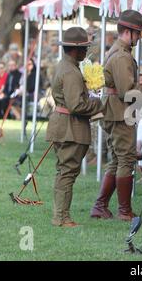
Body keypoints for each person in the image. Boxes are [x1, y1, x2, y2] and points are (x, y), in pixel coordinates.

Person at [90, 10, 142, 222]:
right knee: (125, 158)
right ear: (128, 32)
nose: (140, 37)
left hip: (115, 112)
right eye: (138, 32)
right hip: (120, 113)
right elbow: (128, 92)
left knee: (117, 159)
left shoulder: (119, 52)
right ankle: (124, 211)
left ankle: (100, 206)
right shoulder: (122, 56)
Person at [45, 27, 104, 228]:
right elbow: (77, 105)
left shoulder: (65, 66)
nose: (86, 51)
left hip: (62, 126)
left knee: (64, 171)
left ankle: (60, 216)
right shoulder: (71, 71)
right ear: (74, 49)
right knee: (67, 173)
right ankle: (61, 218)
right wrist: (98, 101)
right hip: (70, 128)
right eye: (84, 48)